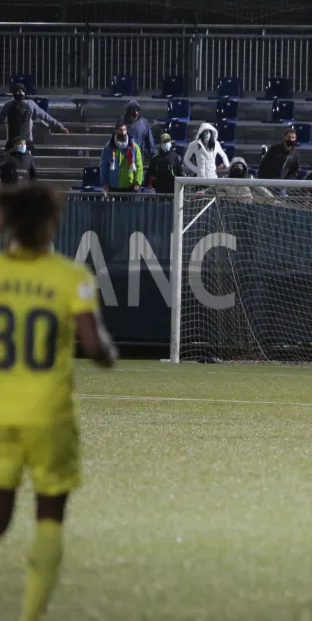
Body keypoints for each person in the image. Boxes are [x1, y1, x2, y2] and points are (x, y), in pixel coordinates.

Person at [0, 183, 118, 621]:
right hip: (49, 417)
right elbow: (94, 346)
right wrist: (107, 352)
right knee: (48, 515)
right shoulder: (71, 277)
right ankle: (30, 614)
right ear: (51, 224)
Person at [0, 85, 68, 152]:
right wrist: (59, 126)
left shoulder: (8, 105)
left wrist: (59, 126)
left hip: (15, 142)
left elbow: (45, 116)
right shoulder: (29, 104)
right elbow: (45, 116)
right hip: (23, 141)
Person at [98, 121, 144, 193]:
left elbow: (139, 166)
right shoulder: (108, 147)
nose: (123, 132)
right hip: (113, 186)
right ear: (116, 131)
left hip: (129, 186)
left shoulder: (134, 147)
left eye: (124, 130)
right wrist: (104, 182)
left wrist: (137, 182)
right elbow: (104, 166)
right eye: (120, 130)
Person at [122, 100, 155, 167]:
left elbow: (149, 140)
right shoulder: (122, 122)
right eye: (132, 109)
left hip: (139, 157)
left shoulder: (143, 122)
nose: (134, 112)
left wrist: (153, 154)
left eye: (136, 109)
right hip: (124, 158)